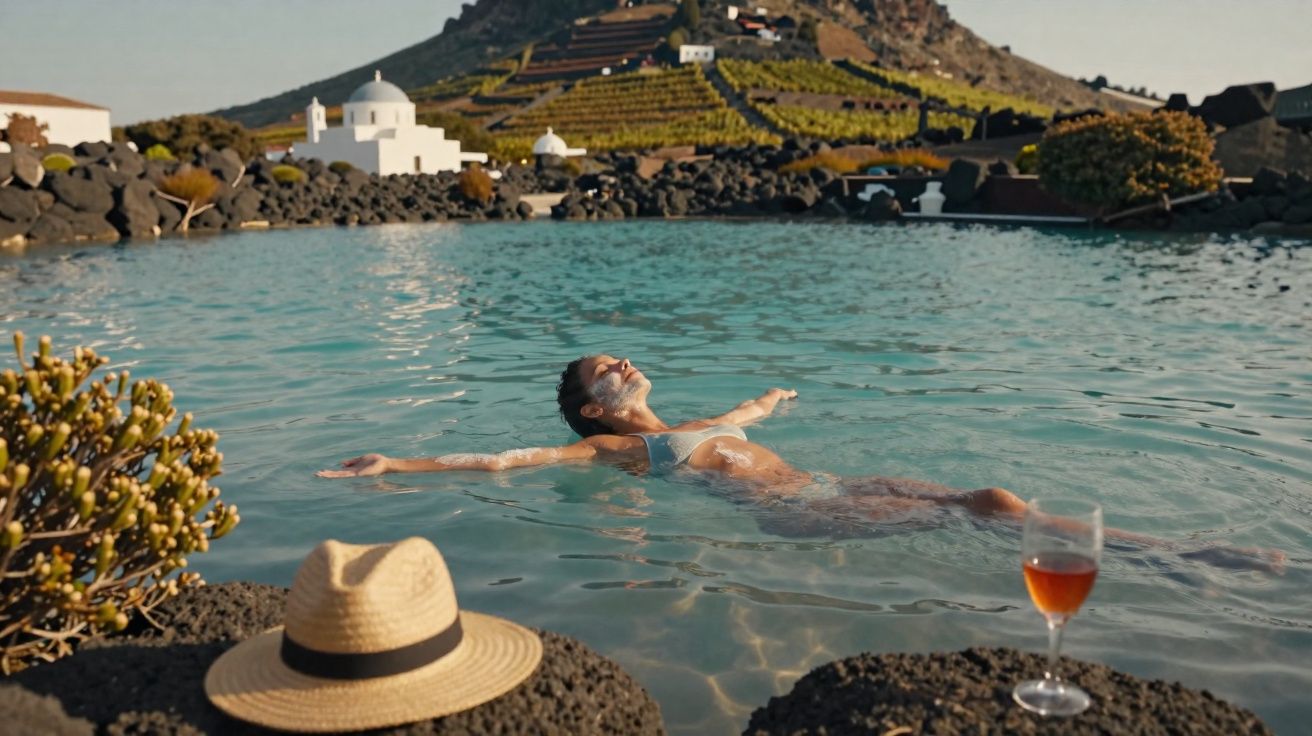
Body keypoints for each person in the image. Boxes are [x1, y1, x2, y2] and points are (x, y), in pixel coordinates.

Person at [320, 355, 1284, 571]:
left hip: (831, 488)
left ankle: (1168, 552)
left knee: (987, 497)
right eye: (603, 369)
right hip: (797, 516)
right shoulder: (612, 448)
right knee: (990, 504)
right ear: (592, 406)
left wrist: (771, 402)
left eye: (618, 357)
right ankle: (1188, 556)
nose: (622, 363)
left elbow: (740, 411)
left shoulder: (688, 415)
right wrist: (397, 464)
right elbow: (503, 463)